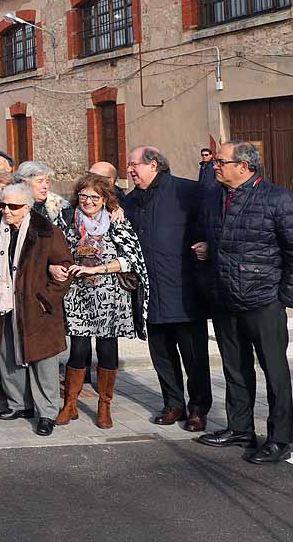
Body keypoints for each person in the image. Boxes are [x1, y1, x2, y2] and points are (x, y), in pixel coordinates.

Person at [194, 140, 293, 464]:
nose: (215, 166)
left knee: (274, 371)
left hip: (264, 301)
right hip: (225, 297)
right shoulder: (216, 197)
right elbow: (225, 239)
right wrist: (208, 249)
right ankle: (240, 428)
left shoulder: (278, 198)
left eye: (221, 162)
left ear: (243, 167)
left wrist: (285, 298)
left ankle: (279, 438)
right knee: (235, 368)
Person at [122, 146, 211, 431]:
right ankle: (174, 404)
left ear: (154, 165)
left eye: (134, 164)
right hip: (150, 293)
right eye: (129, 165)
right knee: (161, 354)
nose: (130, 170)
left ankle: (198, 409)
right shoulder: (131, 200)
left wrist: (208, 246)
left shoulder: (188, 191)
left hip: (184, 292)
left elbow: (210, 224)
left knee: (194, 356)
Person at [0, 182, 73, 436]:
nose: (7, 211)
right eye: (4, 205)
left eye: (14, 206)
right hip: (6, 303)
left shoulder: (47, 232)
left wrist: (45, 299)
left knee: (43, 360)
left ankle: (47, 412)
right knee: (7, 354)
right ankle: (19, 404)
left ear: (27, 207)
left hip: (36, 307)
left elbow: (64, 270)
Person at [56, 175, 149, 430]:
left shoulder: (118, 223)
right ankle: (70, 403)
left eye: (94, 197)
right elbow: (52, 250)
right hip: (78, 294)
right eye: (84, 196)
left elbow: (132, 260)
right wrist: (58, 267)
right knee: (78, 350)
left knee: (108, 349)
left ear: (105, 199)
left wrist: (98, 270)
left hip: (110, 296)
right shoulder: (66, 220)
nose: (88, 201)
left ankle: (104, 405)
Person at [15, 160, 70, 230]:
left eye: (47, 181)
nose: (45, 186)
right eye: (39, 181)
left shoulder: (61, 208)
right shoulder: (11, 206)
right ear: (25, 183)